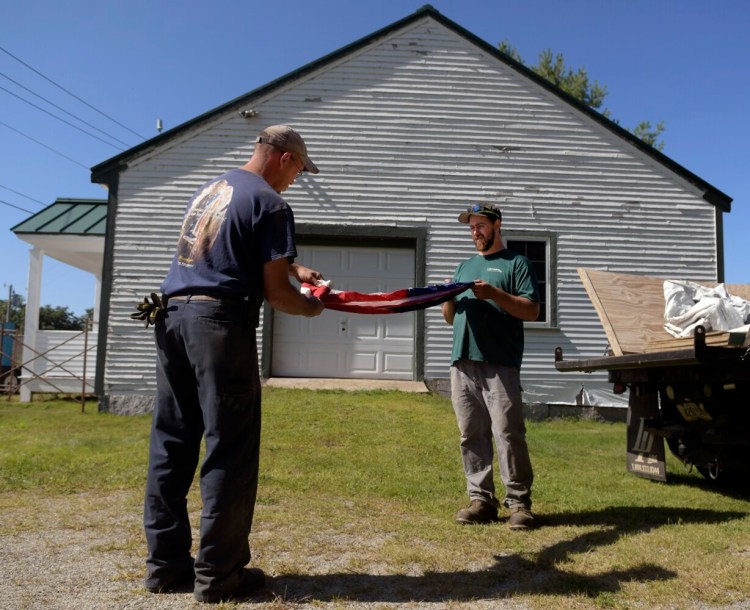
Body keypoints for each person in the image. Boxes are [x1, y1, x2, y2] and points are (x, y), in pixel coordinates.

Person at [143, 125, 326, 603]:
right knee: (230, 447)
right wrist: (311, 305)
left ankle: (165, 567)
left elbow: (220, 250)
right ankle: (219, 576)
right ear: (285, 158)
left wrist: (292, 265)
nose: (296, 181)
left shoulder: (213, 189)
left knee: (172, 443)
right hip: (219, 326)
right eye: (299, 171)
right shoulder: (272, 202)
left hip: (173, 317)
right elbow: (277, 295)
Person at [441, 204, 540, 530]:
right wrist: (447, 296)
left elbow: (530, 311)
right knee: (471, 434)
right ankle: (481, 500)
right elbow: (450, 318)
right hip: (462, 363)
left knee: (509, 434)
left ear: (497, 225)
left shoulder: (517, 264)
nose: (475, 232)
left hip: (500, 365)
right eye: (471, 227)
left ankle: (519, 504)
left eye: (480, 226)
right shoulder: (464, 266)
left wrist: (495, 294)